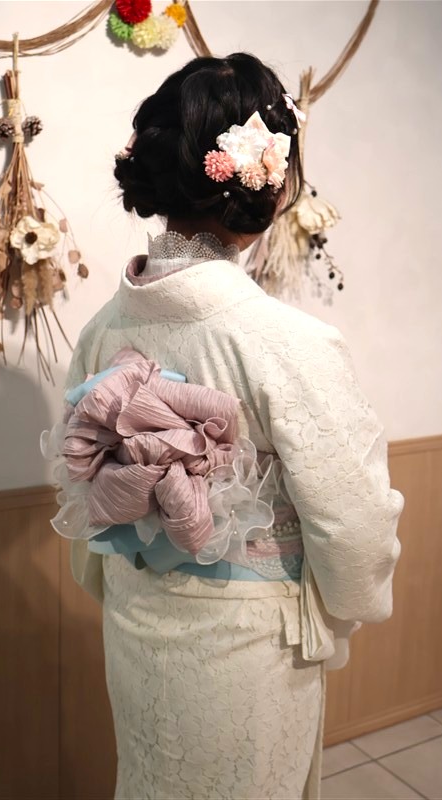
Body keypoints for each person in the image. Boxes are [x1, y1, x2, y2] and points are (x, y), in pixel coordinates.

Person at [61, 53, 404, 800]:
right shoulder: (289, 343)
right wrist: (345, 611)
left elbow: (88, 499)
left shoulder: (100, 331)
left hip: (135, 615)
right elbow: (351, 523)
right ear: (268, 184)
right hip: (249, 641)